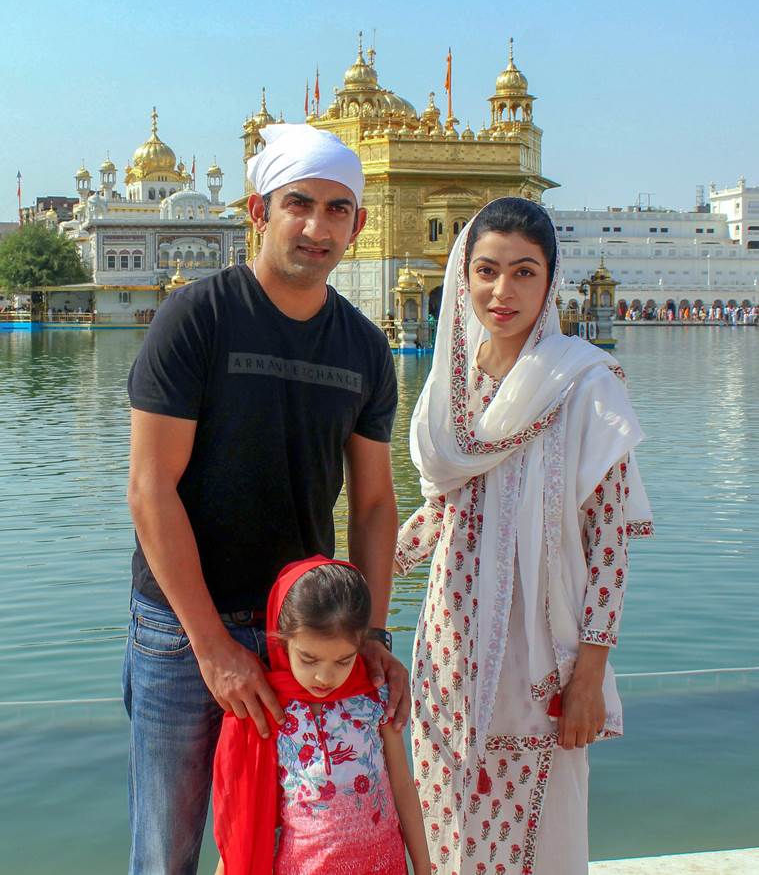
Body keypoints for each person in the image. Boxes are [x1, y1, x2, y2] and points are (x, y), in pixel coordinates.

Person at [124, 123, 409, 875]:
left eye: (338, 210)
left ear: (359, 223)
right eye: (299, 204)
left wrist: (371, 634)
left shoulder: (363, 348)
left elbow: (376, 503)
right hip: (184, 630)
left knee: (293, 843)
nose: (318, 228)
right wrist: (214, 648)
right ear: (258, 210)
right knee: (168, 845)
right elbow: (150, 489)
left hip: (304, 638)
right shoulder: (198, 319)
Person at [394, 198, 652, 874]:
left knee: (537, 827)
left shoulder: (583, 383)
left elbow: (609, 545)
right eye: (485, 270)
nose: (500, 291)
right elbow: (451, 512)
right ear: (463, 276)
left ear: (550, 280)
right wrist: (361, 573)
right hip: (449, 643)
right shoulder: (449, 388)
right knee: (443, 812)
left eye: (522, 273)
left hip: (543, 653)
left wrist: (590, 676)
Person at [213, 556, 431, 875]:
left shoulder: (374, 697)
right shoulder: (269, 709)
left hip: (381, 864)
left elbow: (402, 786)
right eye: (309, 659)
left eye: (343, 661)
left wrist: (424, 868)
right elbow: (245, 814)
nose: (324, 677)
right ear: (282, 640)